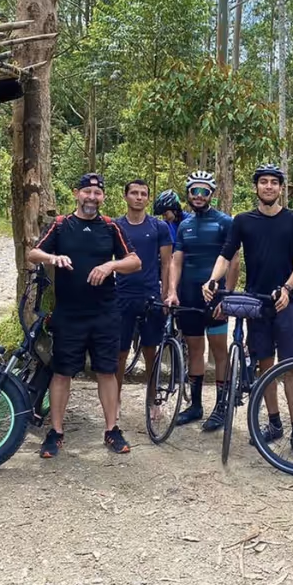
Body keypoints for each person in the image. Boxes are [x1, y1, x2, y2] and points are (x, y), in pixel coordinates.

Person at [27, 172, 142, 458]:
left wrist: (110, 266)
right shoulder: (62, 224)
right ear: (77, 193)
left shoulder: (110, 227)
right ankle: (55, 432)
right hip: (69, 313)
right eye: (87, 192)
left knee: (107, 370)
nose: (92, 198)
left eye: (97, 193)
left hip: (104, 312)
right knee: (63, 372)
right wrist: (52, 258)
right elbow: (33, 253)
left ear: (103, 197)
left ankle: (112, 429)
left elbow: (135, 261)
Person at [204, 163, 293, 461]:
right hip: (256, 302)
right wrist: (213, 279)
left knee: (291, 366)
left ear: (281, 188)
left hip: (284, 303)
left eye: (273, 183)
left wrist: (288, 288)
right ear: (256, 187)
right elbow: (226, 254)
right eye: (263, 182)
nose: (268, 187)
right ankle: (274, 422)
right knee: (265, 365)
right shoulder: (242, 221)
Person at [166, 170, 240, 431]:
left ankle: (221, 408)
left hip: (216, 297)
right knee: (195, 349)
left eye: (204, 191)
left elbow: (233, 260)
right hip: (188, 296)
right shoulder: (184, 225)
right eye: (194, 191)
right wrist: (172, 291)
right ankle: (196, 405)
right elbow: (176, 260)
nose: (198, 196)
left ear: (211, 193)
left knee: (219, 350)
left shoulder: (224, 222)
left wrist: (227, 294)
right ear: (187, 193)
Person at [115, 179, 173, 422]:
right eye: (134, 193)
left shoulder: (159, 227)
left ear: (148, 198)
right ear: (126, 196)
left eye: (143, 194)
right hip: (121, 295)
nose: (138, 197)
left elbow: (167, 263)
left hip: (151, 295)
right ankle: (114, 400)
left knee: (152, 351)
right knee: (119, 352)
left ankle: (152, 400)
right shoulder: (115, 226)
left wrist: (168, 293)